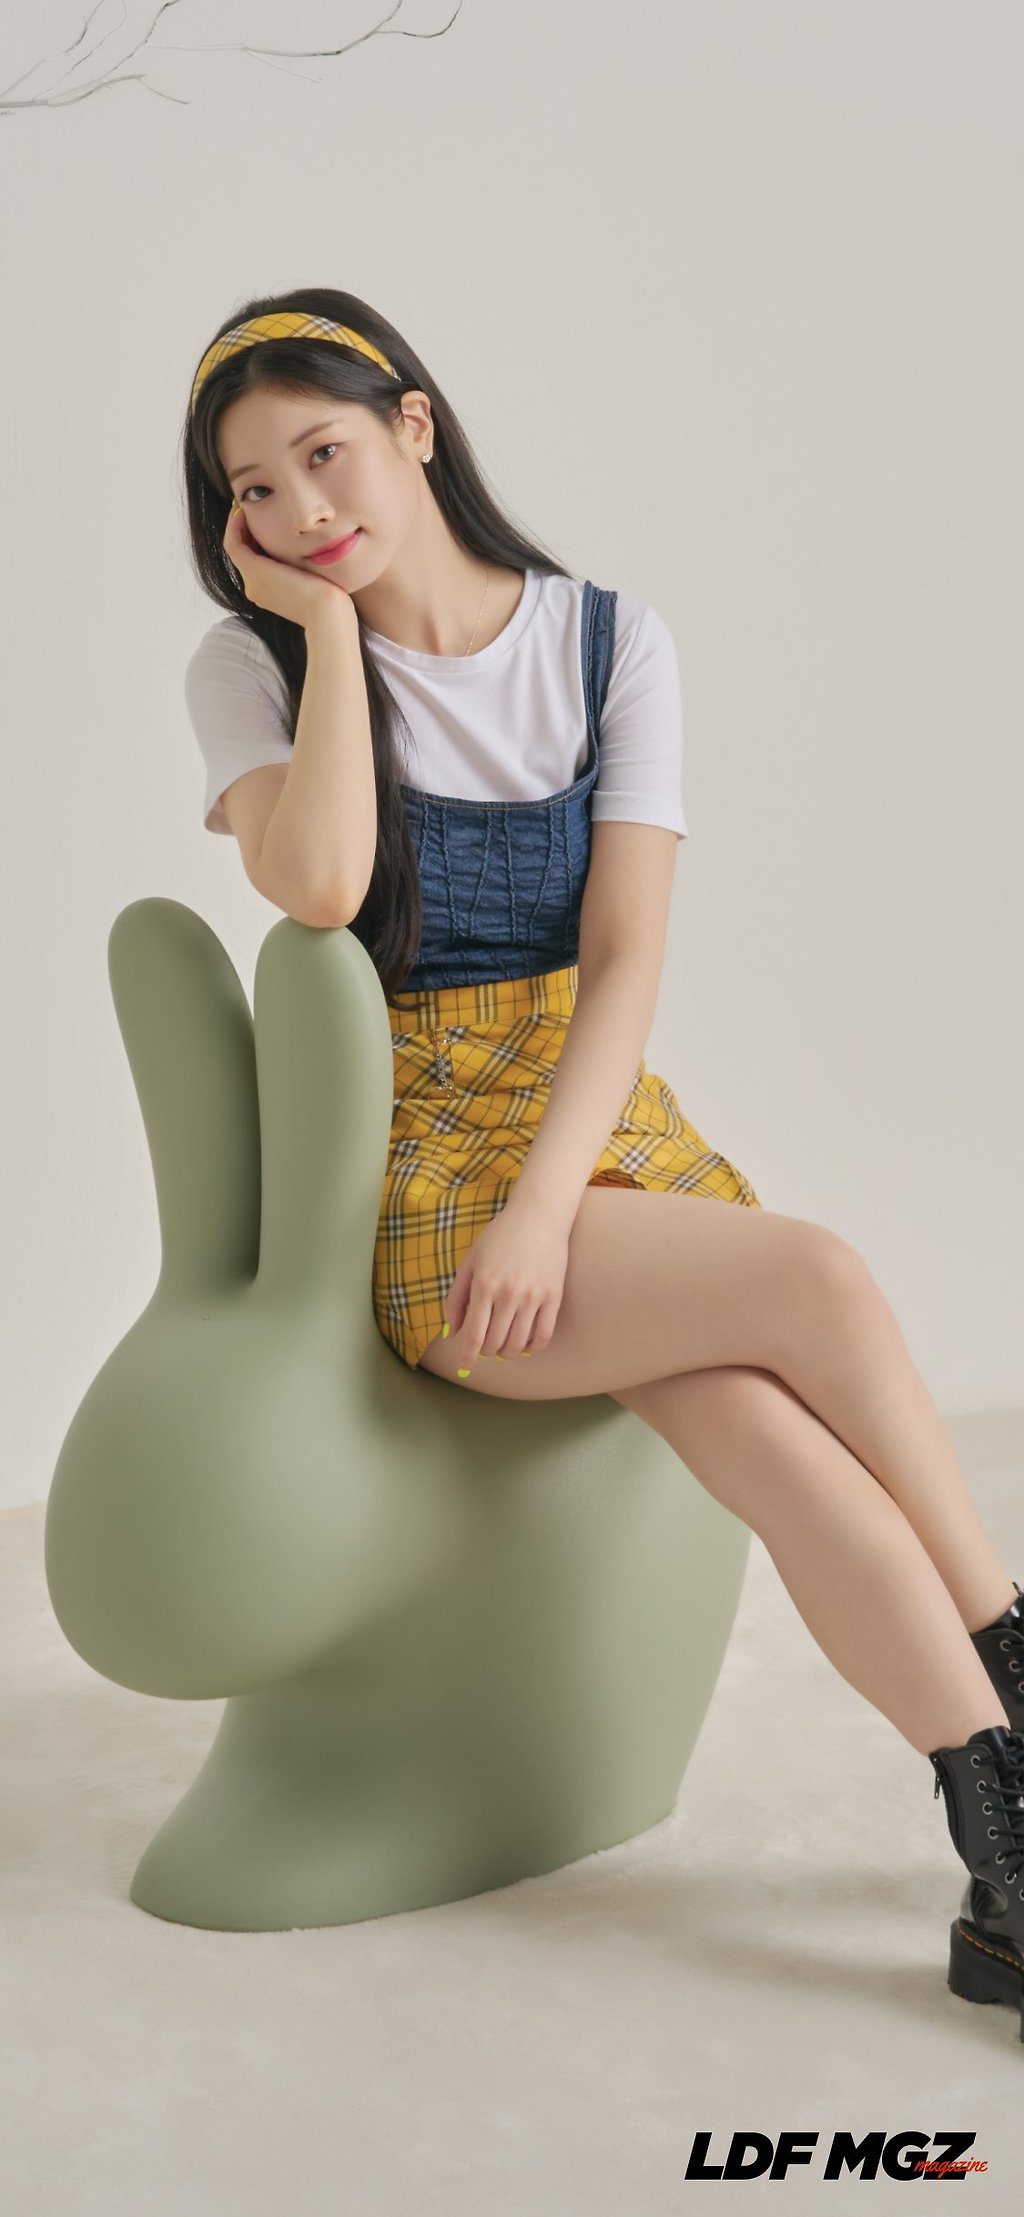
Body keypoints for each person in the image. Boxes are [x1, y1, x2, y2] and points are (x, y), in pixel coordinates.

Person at [182, 288, 1024, 2034]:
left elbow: (628, 958)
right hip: (416, 1167)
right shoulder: (250, 670)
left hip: (595, 1119)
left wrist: (556, 1204)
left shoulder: (608, 642)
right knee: (818, 1278)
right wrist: (325, 639)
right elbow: (321, 884)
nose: (299, 508)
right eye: (254, 488)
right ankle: (1017, 1655)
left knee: (764, 1433)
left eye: (324, 453)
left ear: (416, 427)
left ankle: (1003, 1848)